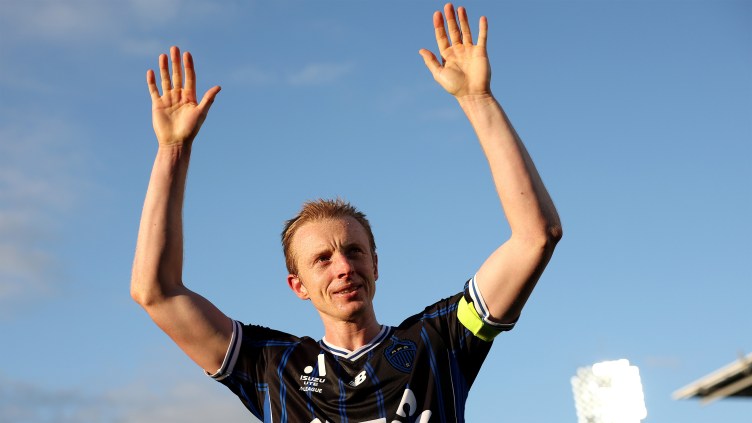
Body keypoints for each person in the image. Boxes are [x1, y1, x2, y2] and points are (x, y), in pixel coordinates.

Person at [131, 3, 561, 422]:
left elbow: (536, 237)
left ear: (375, 263)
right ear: (297, 285)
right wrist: (173, 150)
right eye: (322, 259)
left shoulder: (440, 341)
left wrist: (477, 98)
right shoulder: (272, 368)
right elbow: (156, 292)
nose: (344, 268)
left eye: (354, 251)